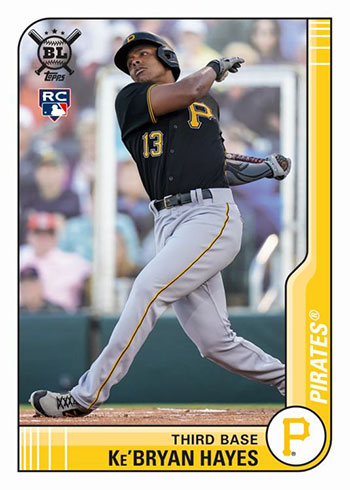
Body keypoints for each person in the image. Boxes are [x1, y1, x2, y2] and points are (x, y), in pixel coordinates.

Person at [29, 31, 290, 417]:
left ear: (166, 55)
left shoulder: (208, 103)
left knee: (148, 287)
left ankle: (86, 395)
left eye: (142, 54)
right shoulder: (132, 99)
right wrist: (215, 67)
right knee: (214, 342)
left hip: (208, 215)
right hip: (167, 220)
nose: (134, 62)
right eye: (129, 59)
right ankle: (298, 381)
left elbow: (214, 166)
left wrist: (259, 169)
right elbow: (187, 91)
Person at [20, 212, 91, 312]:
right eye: (38, 232)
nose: (44, 237)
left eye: (49, 232)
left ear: (56, 235)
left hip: (62, 318)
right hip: (22, 316)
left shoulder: (73, 261)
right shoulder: (22, 257)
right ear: (29, 235)